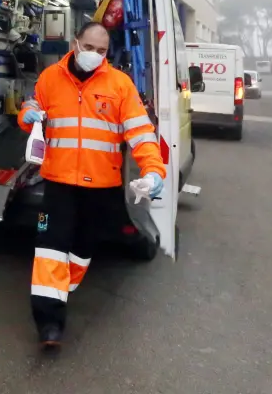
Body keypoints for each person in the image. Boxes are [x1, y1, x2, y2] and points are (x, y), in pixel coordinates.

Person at [17, 20, 166, 349]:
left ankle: (63, 288)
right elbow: (34, 105)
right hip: (58, 182)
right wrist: (26, 114)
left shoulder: (120, 85)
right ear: (75, 43)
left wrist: (154, 170)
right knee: (50, 248)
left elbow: (141, 133)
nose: (94, 55)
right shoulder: (50, 78)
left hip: (101, 186)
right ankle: (49, 323)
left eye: (101, 50)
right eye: (88, 47)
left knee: (83, 248)